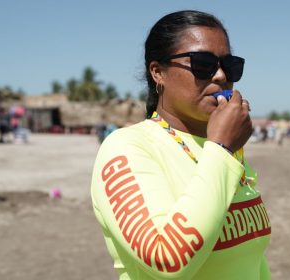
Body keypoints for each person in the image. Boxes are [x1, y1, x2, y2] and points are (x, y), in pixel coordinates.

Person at [91, 10, 271, 280]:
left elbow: (253, 260)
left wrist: (224, 150)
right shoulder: (127, 148)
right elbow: (167, 259)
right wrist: (222, 149)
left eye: (230, 65)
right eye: (203, 63)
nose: (221, 75)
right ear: (158, 72)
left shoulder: (226, 152)